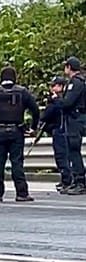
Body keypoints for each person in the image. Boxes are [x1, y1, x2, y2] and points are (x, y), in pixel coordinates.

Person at [0, 66, 39, 202]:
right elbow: (35, 110)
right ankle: (21, 193)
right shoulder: (22, 92)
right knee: (17, 162)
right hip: (17, 131)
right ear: (14, 78)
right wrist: (33, 128)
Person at [59, 57, 86, 195]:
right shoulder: (81, 81)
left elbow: (68, 102)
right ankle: (77, 180)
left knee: (73, 149)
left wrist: (58, 100)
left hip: (76, 119)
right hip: (78, 117)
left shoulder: (76, 83)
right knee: (73, 149)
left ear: (69, 67)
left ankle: (80, 181)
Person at [40, 76, 71, 192]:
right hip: (58, 129)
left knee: (62, 156)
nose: (52, 88)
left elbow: (48, 114)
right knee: (62, 157)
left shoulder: (61, 100)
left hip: (61, 130)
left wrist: (53, 101)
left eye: (55, 85)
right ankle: (65, 179)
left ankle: (67, 180)